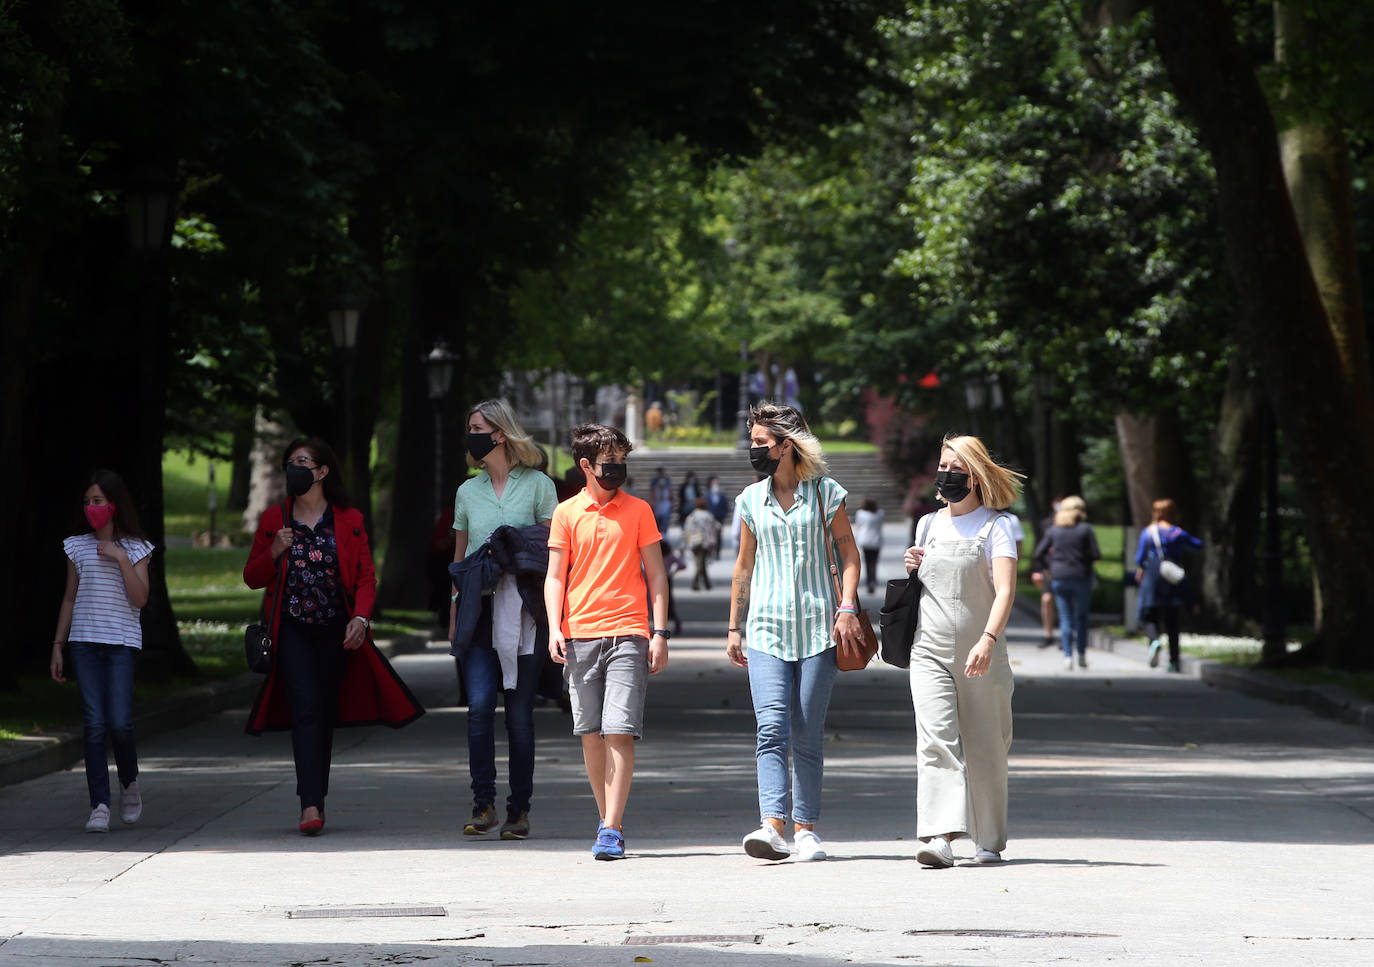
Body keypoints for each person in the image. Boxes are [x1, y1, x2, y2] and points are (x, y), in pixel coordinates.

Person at [244, 437, 424, 836]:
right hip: (291, 631)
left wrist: (360, 617)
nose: (296, 467)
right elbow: (252, 577)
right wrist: (274, 549)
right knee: (306, 710)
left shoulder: (348, 518)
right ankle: (311, 805)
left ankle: (314, 793)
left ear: (322, 471)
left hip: (334, 632)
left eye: (303, 461)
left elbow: (365, 577)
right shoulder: (275, 518)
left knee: (321, 713)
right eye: (290, 461)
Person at [727, 402, 863, 863]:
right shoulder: (750, 501)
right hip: (766, 629)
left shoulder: (825, 493)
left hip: (819, 628)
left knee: (805, 731)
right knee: (769, 729)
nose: (755, 451)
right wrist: (733, 627)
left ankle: (806, 829)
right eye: (752, 444)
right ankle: (772, 826)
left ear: (786, 446)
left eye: (762, 444)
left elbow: (849, 556)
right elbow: (743, 567)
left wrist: (846, 607)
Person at [545, 423, 669, 860]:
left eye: (622, 461)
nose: (617, 469)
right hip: (580, 634)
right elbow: (555, 576)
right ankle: (606, 821)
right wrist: (554, 627)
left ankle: (612, 828)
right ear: (585, 466)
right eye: (608, 463)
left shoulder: (639, 511)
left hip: (629, 634)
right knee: (590, 733)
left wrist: (659, 632)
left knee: (619, 731)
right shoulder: (566, 514)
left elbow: (656, 574)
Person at [903, 434, 1022, 867]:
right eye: (943, 466)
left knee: (987, 744)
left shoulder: (998, 526)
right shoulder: (928, 525)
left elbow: (1006, 590)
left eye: (957, 469)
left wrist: (988, 640)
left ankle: (988, 839)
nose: (947, 475)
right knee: (935, 741)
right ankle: (939, 837)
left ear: (976, 475)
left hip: (981, 652)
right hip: (929, 649)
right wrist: (913, 564)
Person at [449, 399, 557, 840]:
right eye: (470, 426)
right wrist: (454, 610)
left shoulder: (537, 486)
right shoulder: (466, 492)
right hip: (478, 611)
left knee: (519, 716)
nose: (472, 435)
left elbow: (555, 552)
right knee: (478, 709)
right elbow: (458, 560)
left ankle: (519, 809)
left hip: (525, 613)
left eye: (478, 427)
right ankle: (483, 803)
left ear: (501, 433)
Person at [50, 470, 155, 833]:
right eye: (86, 502)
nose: (91, 508)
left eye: (97, 501)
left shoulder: (137, 547)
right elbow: (69, 597)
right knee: (94, 725)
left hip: (122, 644)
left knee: (120, 724)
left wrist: (120, 558)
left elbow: (140, 600)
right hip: (84, 644)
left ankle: (129, 784)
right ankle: (99, 804)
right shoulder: (75, 546)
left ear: (114, 505)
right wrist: (58, 646)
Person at [1134, 498, 1203, 673]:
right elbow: (1198, 545)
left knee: (1150, 614)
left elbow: (1139, 558)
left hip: (1153, 577)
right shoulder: (1178, 533)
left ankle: (1154, 640)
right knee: (1172, 621)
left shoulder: (1148, 532)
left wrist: (1143, 567)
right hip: (1172, 578)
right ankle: (1174, 661)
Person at [1032, 496, 1100, 670]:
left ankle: (1068, 657)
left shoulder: (1054, 530)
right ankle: (1082, 654)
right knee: (1082, 617)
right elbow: (1096, 554)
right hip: (1081, 576)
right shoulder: (1085, 529)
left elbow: (1038, 553)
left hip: (1059, 576)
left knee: (1065, 617)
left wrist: (1049, 568)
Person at [1029, 497, 1063, 649]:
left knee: (1065, 603)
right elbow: (1040, 549)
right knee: (1047, 599)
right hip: (1049, 568)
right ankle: (1048, 635)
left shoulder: (1076, 524)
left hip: (1065, 568)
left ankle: (1065, 635)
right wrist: (1038, 570)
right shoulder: (1047, 524)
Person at [682, 496, 721, 591]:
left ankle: (705, 584)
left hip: (694, 542)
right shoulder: (708, 515)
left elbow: (687, 530)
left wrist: (684, 543)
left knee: (700, 563)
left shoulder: (692, 516)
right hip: (705, 542)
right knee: (701, 563)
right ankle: (698, 583)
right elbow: (716, 527)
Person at [853, 497, 885, 595]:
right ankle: (873, 580)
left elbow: (858, 524)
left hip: (865, 540)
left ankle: (868, 581)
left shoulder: (860, 514)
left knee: (867, 562)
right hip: (876, 540)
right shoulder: (880, 513)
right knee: (874, 563)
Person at [705, 476, 732, 558]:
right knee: (709, 536)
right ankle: (710, 553)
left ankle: (717, 553)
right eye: (714, 483)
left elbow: (726, 507)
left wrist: (722, 516)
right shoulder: (707, 496)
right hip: (709, 520)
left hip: (719, 519)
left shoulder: (722, 496)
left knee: (718, 536)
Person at [649, 467, 673, 534]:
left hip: (665, 501)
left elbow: (670, 491)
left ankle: (664, 533)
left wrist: (671, 499)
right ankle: (658, 532)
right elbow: (652, 491)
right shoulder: (655, 481)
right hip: (658, 502)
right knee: (658, 519)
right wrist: (652, 501)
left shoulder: (667, 480)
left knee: (665, 518)